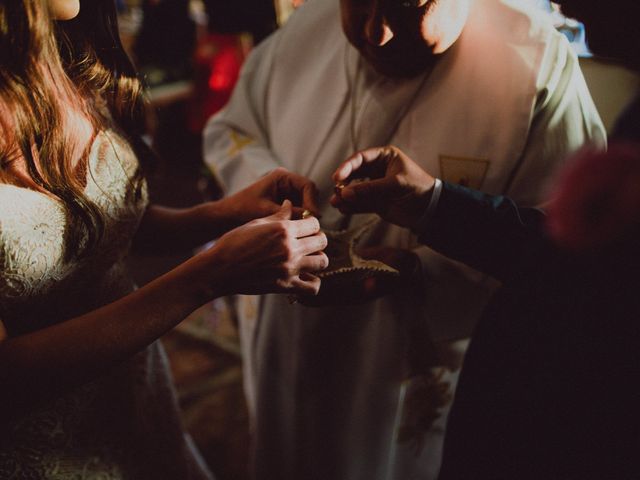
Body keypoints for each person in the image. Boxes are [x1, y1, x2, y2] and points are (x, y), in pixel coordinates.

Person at [203, 0, 606, 478]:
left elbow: (577, 249)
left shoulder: (535, 63)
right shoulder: (310, 23)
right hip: (284, 336)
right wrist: (270, 199)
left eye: (408, 7)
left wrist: (419, 271)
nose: (378, 33)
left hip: (405, 359)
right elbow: (232, 130)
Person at [0, 1, 328, 478]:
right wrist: (209, 276)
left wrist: (219, 216)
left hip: (139, 403)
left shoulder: (62, 54)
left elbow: (95, 233)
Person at [329, 1, 640, 474]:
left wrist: (421, 268)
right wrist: (432, 203)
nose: (561, 3)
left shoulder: (535, 60)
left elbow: (585, 281)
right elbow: (570, 253)